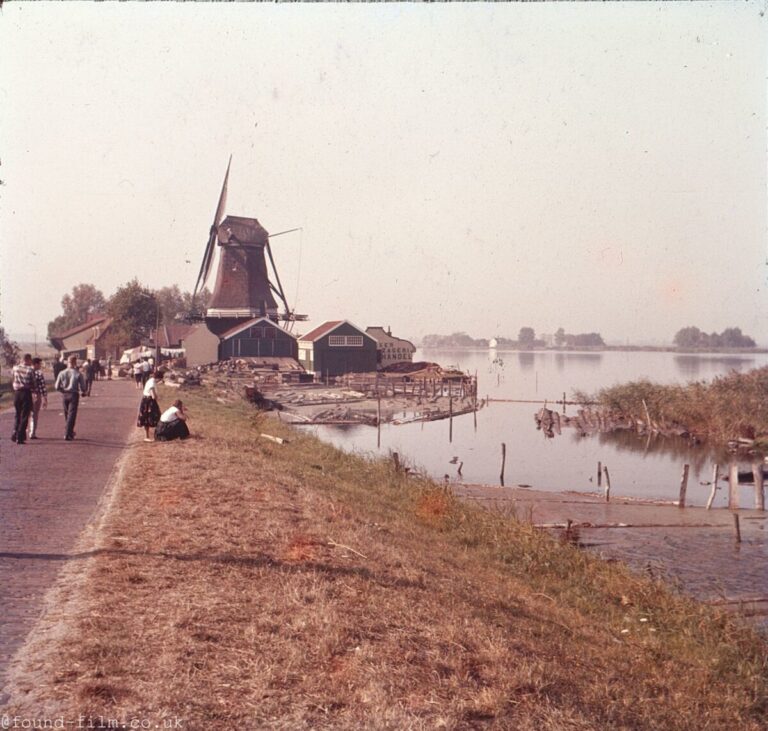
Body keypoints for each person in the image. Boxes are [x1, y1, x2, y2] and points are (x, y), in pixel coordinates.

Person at [54, 355, 87, 441]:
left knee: (66, 414)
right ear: (75, 362)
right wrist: (83, 392)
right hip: (74, 394)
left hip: (65, 394)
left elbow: (57, 386)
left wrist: (63, 390)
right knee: (72, 414)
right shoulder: (78, 373)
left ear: (67, 362)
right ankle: (68, 433)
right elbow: (83, 387)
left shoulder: (62, 373)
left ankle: (70, 431)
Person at [11, 353, 35, 445]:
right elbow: (33, 383)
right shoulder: (30, 370)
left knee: (17, 414)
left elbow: (13, 378)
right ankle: (20, 437)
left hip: (17, 393)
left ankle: (15, 431)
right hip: (26, 393)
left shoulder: (15, 368)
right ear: (28, 360)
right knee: (25, 415)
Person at [137, 369, 164, 441]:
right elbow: (153, 395)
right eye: (160, 379)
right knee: (151, 417)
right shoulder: (152, 382)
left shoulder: (151, 380)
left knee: (148, 417)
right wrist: (158, 398)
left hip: (146, 400)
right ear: (158, 378)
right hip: (149, 401)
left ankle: (149, 436)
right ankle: (150, 436)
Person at [27, 357, 48, 440]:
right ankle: (32, 432)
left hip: (27, 394)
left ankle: (24, 430)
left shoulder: (27, 372)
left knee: (27, 413)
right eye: (39, 364)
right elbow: (42, 386)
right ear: (35, 364)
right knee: (34, 414)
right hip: (36, 394)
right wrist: (45, 397)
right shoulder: (39, 373)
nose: (40, 366)